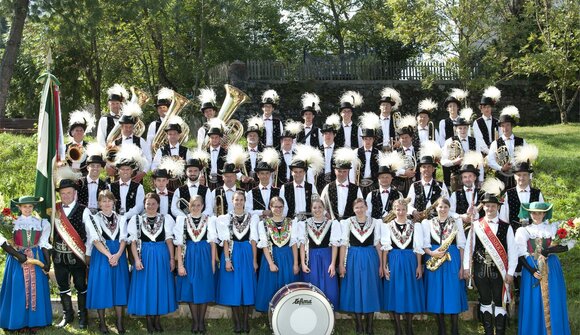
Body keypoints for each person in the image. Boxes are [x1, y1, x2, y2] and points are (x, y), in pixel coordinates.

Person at [463, 188, 517, 335]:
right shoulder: (476, 225)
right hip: (480, 270)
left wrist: (511, 272)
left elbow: (513, 252)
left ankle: (500, 332)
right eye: (487, 205)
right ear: (483, 206)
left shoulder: (507, 227)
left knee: (500, 302)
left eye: (493, 205)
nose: (490, 208)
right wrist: (467, 268)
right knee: (485, 300)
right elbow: (469, 248)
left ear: (498, 207)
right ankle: (488, 331)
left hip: (500, 271)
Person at [515, 202, 573, 335]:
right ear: (529, 213)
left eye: (540, 213)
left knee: (554, 299)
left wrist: (549, 251)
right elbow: (520, 254)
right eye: (534, 212)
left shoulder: (552, 228)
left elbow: (566, 246)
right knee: (534, 302)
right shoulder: (523, 230)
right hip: (532, 268)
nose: (537, 215)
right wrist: (532, 270)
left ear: (544, 214)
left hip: (552, 267)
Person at [0, 196, 52, 333]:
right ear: (19, 207)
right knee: (19, 289)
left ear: (34, 207)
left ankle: (35, 321)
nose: (27, 209)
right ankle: (18, 321)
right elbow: (3, 242)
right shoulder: (11, 222)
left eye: (30, 206)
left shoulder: (41, 223)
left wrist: (47, 262)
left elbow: (43, 243)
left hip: (36, 258)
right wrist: (18, 255)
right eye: (24, 206)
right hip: (17, 259)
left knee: (37, 289)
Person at [127, 193, 177, 333]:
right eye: (148, 204)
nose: (150, 206)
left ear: (158, 204)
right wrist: (136, 259)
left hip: (161, 254)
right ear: (144, 204)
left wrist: (172, 259)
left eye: (153, 203)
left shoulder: (165, 219)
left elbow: (169, 240)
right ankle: (149, 319)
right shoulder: (136, 220)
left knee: (160, 285)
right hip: (145, 256)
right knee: (147, 286)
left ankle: (157, 319)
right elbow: (133, 243)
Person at [84, 190, 129, 334]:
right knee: (102, 287)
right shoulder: (94, 218)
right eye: (103, 201)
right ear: (99, 203)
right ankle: (102, 323)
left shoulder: (121, 218)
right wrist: (110, 256)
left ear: (113, 202)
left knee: (119, 286)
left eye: (109, 200)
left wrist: (117, 255)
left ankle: (119, 321)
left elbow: (123, 239)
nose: (107, 204)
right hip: (102, 254)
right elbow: (95, 240)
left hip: (119, 254)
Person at [421, 198, 467, 335]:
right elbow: (424, 244)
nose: (443, 209)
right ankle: (441, 328)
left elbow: (461, 245)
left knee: (452, 292)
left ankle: (454, 328)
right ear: (436, 208)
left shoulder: (456, 222)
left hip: (452, 259)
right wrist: (431, 253)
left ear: (449, 208)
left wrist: (462, 267)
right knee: (437, 293)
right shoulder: (427, 223)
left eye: (445, 207)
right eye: (440, 207)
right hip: (434, 257)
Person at [216, 191, 260, 333]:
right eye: (236, 200)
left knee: (247, 286)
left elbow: (253, 240)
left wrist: (254, 260)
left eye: (241, 200)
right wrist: (227, 260)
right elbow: (226, 240)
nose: (239, 202)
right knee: (234, 288)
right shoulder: (225, 218)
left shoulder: (252, 218)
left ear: (245, 201)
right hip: (232, 253)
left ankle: (246, 322)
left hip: (247, 253)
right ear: (232, 201)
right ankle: (237, 323)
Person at [174, 196, 218, 334]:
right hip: (189, 255)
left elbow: (212, 244)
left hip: (204, 255)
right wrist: (180, 265)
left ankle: (201, 321)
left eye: (198, 205)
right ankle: (195, 321)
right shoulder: (183, 220)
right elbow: (179, 245)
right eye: (193, 205)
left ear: (203, 206)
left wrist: (212, 263)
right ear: (190, 206)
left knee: (203, 287)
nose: (196, 207)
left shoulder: (209, 220)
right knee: (191, 286)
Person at [339, 198, 382, 335]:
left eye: (362, 207)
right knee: (355, 288)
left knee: (371, 288)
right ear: (353, 209)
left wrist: (381, 264)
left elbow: (378, 244)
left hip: (370, 257)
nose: (359, 210)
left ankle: (370, 325)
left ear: (366, 207)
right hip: (354, 257)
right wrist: (341, 264)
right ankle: (359, 324)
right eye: (357, 207)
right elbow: (344, 244)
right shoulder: (348, 222)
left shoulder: (375, 222)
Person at [53, 171, 90, 329]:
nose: (66, 196)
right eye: (63, 193)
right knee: (63, 286)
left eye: (69, 193)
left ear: (74, 193)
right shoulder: (54, 210)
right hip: (59, 256)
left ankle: (83, 316)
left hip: (77, 255)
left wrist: (87, 254)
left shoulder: (84, 210)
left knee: (81, 286)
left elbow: (89, 235)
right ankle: (67, 314)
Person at [382, 198, 425, 335]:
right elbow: (385, 249)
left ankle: (409, 325)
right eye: (398, 209)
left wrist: (419, 265)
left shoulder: (415, 226)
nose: (400, 212)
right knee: (396, 292)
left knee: (410, 291)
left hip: (410, 260)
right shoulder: (388, 226)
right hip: (394, 260)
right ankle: (398, 328)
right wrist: (384, 266)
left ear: (407, 210)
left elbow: (418, 247)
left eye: (403, 209)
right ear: (394, 211)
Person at [255, 197, 300, 313]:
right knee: (271, 285)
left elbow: (294, 244)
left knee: (287, 284)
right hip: (271, 257)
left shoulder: (291, 222)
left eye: (280, 206)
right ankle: (272, 315)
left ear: (283, 207)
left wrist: (295, 263)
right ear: (270, 207)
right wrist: (270, 263)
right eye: (275, 206)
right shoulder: (264, 224)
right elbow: (264, 245)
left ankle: (288, 313)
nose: (278, 209)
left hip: (287, 257)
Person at [295, 199, 341, 308]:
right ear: (311, 209)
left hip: (327, 258)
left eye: (320, 207)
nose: (317, 210)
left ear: (324, 209)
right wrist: (303, 263)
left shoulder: (331, 223)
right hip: (311, 258)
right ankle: (312, 311)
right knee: (312, 284)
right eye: (314, 207)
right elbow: (302, 245)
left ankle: (329, 312)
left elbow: (335, 245)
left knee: (328, 285)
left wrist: (333, 264)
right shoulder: (304, 224)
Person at [487, 106, 526, 190]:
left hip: (518, 177)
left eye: (508, 125)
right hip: (502, 176)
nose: (505, 128)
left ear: (512, 126)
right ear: (500, 127)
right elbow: (490, 161)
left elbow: (527, 159)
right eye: (503, 126)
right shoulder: (495, 144)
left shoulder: (522, 141)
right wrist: (501, 168)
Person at [320, 153, 363, 221]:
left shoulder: (356, 189)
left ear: (348, 171)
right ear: (335, 171)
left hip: (351, 223)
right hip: (333, 223)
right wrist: (326, 214)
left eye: (344, 171)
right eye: (339, 171)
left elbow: (361, 205)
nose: (341, 174)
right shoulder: (328, 187)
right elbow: (321, 204)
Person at [366, 152, 404, 220]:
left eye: (387, 177)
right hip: (375, 225)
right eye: (382, 177)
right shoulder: (370, 195)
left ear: (392, 178)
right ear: (378, 179)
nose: (384, 179)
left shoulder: (398, 194)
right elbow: (367, 213)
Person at [472, 86, 501, 155]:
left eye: (488, 107)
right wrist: (489, 152)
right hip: (483, 152)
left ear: (491, 108)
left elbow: (500, 136)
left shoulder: (497, 122)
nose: (486, 109)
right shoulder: (477, 122)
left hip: (496, 151)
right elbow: (479, 140)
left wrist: (497, 150)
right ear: (481, 109)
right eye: (484, 107)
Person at [65, 109, 95, 175]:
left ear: (84, 133)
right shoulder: (65, 148)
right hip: (69, 176)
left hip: (86, 176)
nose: (79, 132)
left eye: (81, 130)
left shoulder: (89, 147)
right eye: (77, 130)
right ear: (72, 133)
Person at [376, 87, 401, 151]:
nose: (385, 106)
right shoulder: (375, 121)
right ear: (380, 107)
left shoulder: (396, 120)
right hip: (378, 150)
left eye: (387, 104)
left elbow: (403, 134)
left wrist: (400, 142)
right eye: (383, 104)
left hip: (393, 149)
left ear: (391, 107)